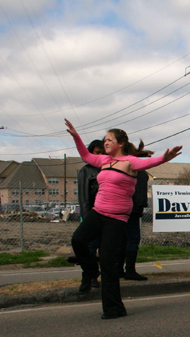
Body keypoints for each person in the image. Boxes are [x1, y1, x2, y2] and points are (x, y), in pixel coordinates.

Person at [65, 119, 182, 319]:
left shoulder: (129, 162)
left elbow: (149, 162)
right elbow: (85, 155)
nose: (106, 143)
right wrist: (76, 136)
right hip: (97, 212)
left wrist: (166, 157)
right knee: (78, 240)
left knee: (109, 265)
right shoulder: (104, 161)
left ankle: (114, 309)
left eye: (110, 140)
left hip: (116, 219)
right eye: (105, 140)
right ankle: (92, 269)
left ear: (120, 143)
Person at [74, 139, 105, 288]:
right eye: (97, 153)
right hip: (92, 214)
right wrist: (87, 219)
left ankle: (106, 277)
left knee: (105, 248)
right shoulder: (86, 171)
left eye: (102, 153)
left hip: (107, 214)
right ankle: (88, 277)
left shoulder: (108, 168)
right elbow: (84, 197)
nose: (99, 156)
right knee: (90, 247)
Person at [116, 170, 149, 280]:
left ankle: (119, 269)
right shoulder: (139, 173)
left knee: (123, 239)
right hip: (132, 209)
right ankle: (130, 270)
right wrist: (139, 206)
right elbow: (140, 195)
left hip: (120, 208)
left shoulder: (121, 169)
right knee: (133, 239)